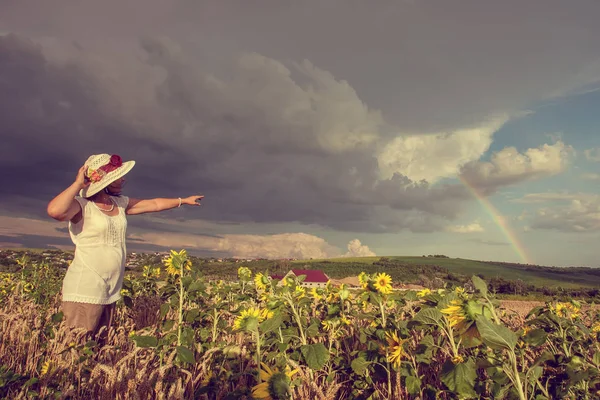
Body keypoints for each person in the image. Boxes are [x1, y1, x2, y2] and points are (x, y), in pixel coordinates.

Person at [47, 153, 203, 338]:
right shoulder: (82, 206)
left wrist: (182, 200)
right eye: (118, 176)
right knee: (77, 347)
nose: (123, 179)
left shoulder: (119, 204)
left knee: (98, 346)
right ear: (105, 181)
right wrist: (77, 185)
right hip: (86, 287)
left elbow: (153, 204)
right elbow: (55, 211)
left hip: (110, 288)